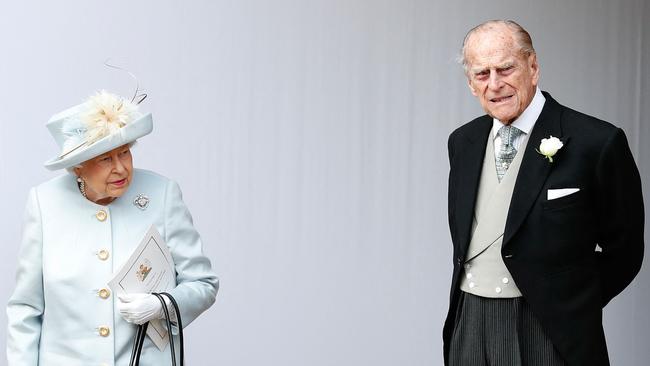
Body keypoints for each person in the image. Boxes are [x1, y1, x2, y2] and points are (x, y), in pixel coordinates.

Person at [444, 20, 644, 365]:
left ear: (532, 67)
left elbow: (625, 250)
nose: (495, 84)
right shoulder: (462, 141)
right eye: (482, 74)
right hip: (469, 319)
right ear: (470, 83)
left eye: (506, 68)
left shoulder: (596, 141)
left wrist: (570, 300)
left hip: (550, 327)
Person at [7, 90, 219, 365]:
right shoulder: (44, 203)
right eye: (105, 159)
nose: (121, 168)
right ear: (77, 167)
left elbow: (203, 283)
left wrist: (162, 305)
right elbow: (26, 308)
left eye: (125, 153)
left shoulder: (162, 194)